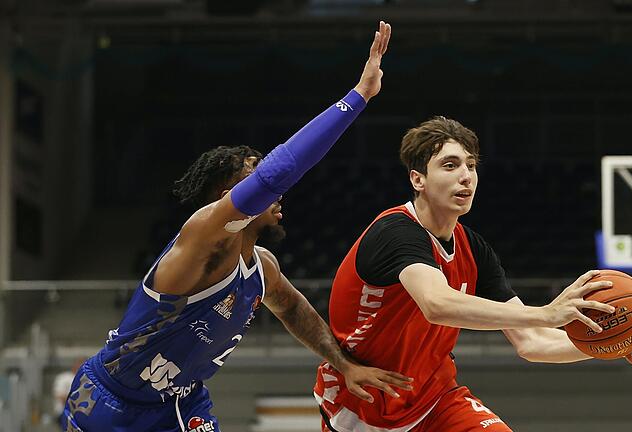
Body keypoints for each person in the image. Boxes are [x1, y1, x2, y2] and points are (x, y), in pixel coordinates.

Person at [63, 22, 411, 432]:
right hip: (114, 403)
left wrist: (343, 364)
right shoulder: (203, 237)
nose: (274, 191)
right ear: (228, 192)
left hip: (182, 400)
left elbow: (294, 308)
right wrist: (358, 97)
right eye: (254, 172)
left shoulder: (262, 268)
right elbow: (278, 173)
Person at [314, 116, 632, 432]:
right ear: (417, 179)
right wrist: (544, 313)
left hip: (435, 401)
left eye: (470, 165)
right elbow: (436, 303)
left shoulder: (473, 249)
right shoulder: (395, 232)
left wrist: (607, 343)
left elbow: (532, 342)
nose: (465, 176)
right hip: (362, 407)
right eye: (449, 165)